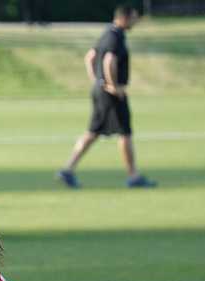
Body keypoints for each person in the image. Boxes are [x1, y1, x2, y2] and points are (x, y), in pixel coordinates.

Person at [58, 5, 154, 190]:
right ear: (124, 18)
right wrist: (112, 85)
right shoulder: (115, 36)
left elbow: (90, 57)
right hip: (111, 93)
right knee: (125, 132)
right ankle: (133, 176)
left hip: (101, 91)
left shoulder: (107, 33)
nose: (135, 22)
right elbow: (109, 60)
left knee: (93, 132)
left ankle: (68, 169)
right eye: (134, 18)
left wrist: (96, 81)